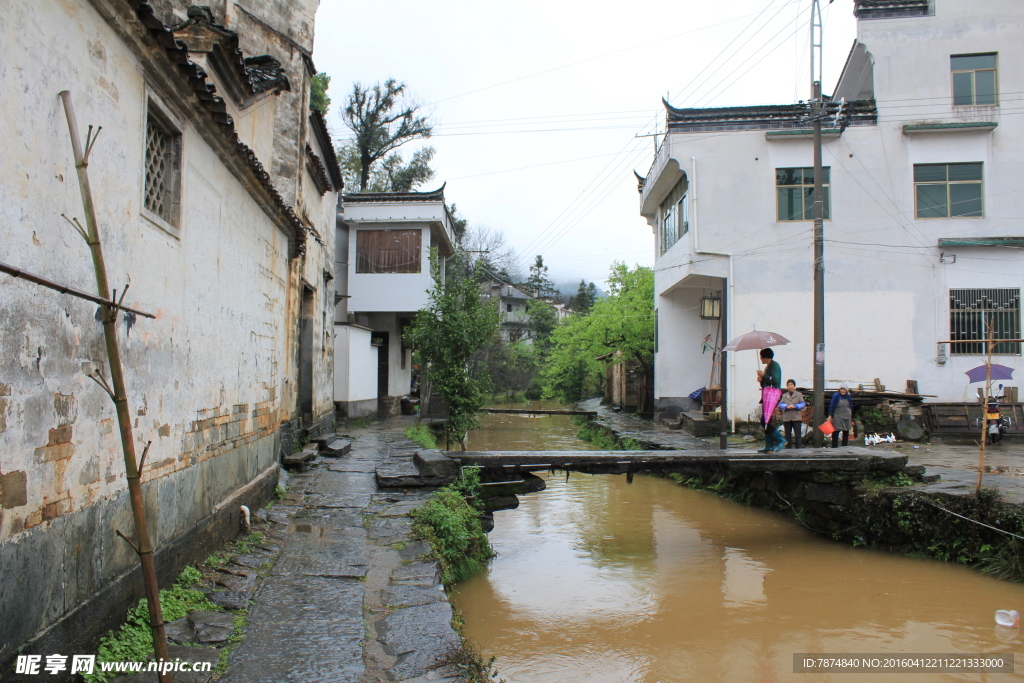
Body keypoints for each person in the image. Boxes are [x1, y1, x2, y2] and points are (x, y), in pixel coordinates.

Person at [756, 348, 784, 453]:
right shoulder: (768, 367)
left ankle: (780, 439)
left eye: (761, 356)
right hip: (767, 395)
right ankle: (769, 446)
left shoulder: (774, 365)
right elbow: (767, 382)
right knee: (767, 420)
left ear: (765, 357)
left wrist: (764, 375)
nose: (760, 359)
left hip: (772, 396)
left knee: (765, 420)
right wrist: (761, 380)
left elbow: (775, 380)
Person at [779, 379, 806, 449]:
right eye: (788, 385)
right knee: (787, 434)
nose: (790, 386)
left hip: (796, 417)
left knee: (798, 434)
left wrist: (795, 406)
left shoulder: (799, 395)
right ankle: (788, 448)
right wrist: (786, 406)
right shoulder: (784, 395)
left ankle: (799, 448)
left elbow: (802, 404)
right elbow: (781, 404)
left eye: (791, 385)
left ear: (794, 386)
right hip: (787, 417)